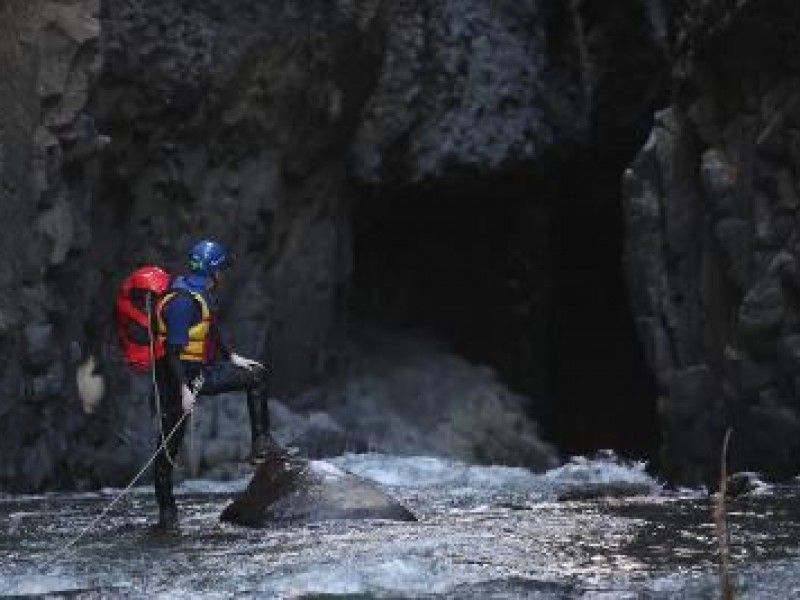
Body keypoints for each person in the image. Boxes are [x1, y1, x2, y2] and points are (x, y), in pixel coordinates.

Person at [152, 239, 277, 530]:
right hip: (180, 377)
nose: (223, 276)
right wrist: (184, 389)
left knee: (255, 374)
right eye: (222, 270)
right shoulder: (183, 302)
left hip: (201, 370)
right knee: (168, 446)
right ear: (213, 271)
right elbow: (172, 352)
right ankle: (167, 515)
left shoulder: (200, 293)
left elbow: (212, 331)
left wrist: (233, 358)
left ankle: (262, 445)